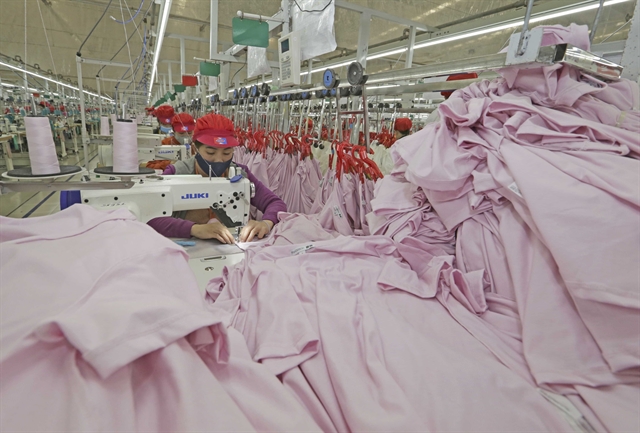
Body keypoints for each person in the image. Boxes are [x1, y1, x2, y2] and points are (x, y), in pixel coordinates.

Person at [147, 113, 287, 243]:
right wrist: (195, 229)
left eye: (227, 153)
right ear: (196, 148)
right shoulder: (175, 173)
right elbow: (150, 216)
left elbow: (275, 203)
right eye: (210, 152)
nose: (219, 160)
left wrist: (266, 223)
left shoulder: (240, 173)